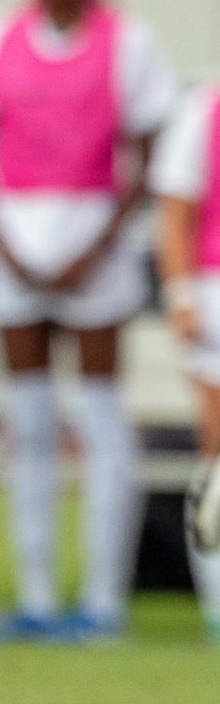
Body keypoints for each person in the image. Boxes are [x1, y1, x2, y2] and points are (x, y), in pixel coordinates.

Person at [0, 0, 172, 642]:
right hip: (15, 241)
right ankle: (38, 597)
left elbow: (146, 161)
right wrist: (2, 245)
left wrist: (99, 246)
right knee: (31, 420)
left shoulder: (129, 42)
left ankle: (104, 600)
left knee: (102, 418)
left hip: (93, 246)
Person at [148, 79, 220, 643]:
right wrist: (181, 296)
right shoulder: (203, 109)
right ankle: (217, 605)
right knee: (216, 462)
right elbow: (174, 212)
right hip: (214, 292)